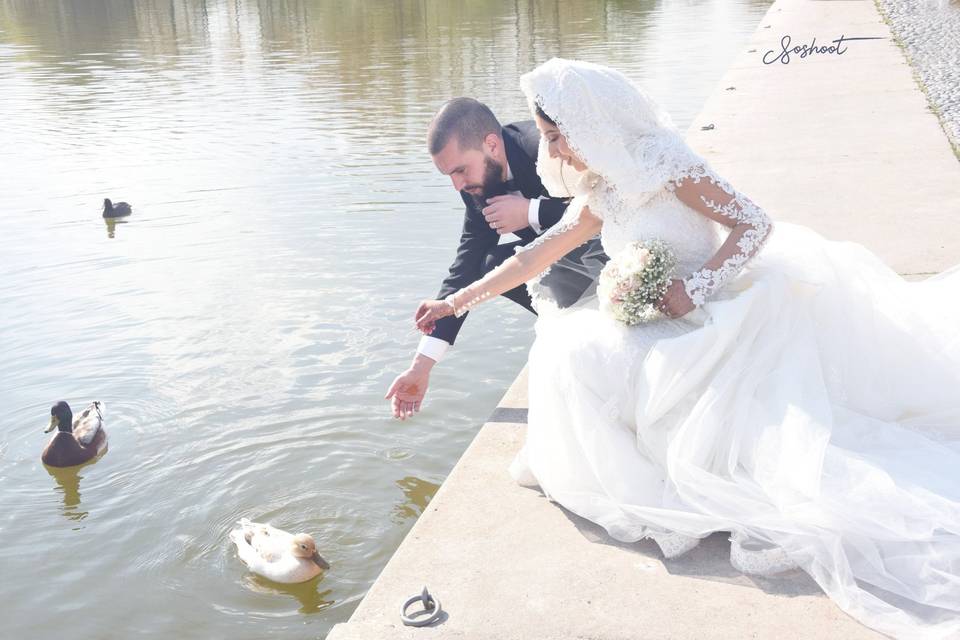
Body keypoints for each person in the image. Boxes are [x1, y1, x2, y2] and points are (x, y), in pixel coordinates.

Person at [414, 58, 960, 639]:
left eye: (556, 138)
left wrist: (695, 288)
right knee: (566, 352)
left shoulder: (663, 163)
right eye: (547, 140)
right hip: (653, 309)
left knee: (650, 383)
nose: (557, 155)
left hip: (715, 307)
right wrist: (455, 304)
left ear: (588, 126)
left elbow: (753, 223)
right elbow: (533, 256)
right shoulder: (603, 186)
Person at [385, 97, 607, 420]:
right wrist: (421, 366)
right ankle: (571, 329)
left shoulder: (545, 149)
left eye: (460, 170)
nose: (457, 185)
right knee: (490, 262)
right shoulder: (474, 182)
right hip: (564, 269)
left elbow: (611, 204)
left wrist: (531, 211)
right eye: (449, 175)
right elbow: (467, 264)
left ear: (491, 144)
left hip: (616, 255)